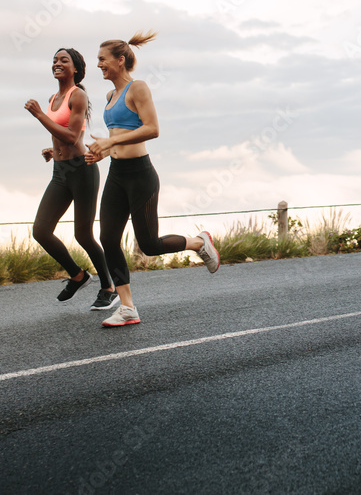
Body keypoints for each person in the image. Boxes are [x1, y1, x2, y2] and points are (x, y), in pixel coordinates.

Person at [85, 31, 220, 328]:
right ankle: (128, 307)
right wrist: (104, 152)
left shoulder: (138, 88)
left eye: (102, 60)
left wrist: (109, 144)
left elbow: (152, 128)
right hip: (116, 175)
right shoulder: (110, 96)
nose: (98, 65)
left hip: (141, 176)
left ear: (120, 61)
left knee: (149, 245)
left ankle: (198, 242)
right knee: (108, 238)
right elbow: (118, 139)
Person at [25, 48, 119, 311]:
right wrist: (52, 151)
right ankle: (78, 275)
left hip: (82, 170)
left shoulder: (78, 95)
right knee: (41, 231)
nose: (57, 63)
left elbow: (71, 136)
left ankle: (108, 286)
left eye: (63, 60)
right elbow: (60, 138)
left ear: (75, 68)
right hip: (60, 171)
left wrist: (39, 115)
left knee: (83, 235)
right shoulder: (53, 97)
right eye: (54, 60)